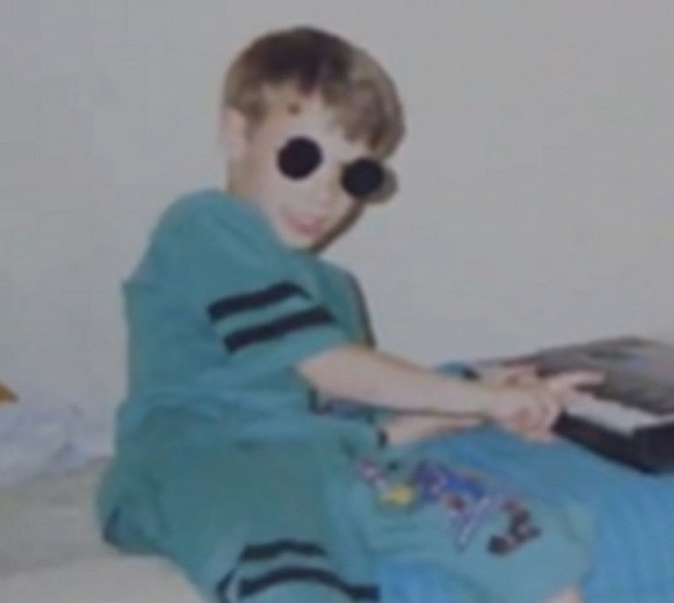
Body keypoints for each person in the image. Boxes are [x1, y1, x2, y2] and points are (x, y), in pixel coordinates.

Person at [97, 25, 601, 603]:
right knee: (288, 575)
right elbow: (328, 366)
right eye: (302, 158)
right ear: (237, 134)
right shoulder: (205, 228)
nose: (325, 194)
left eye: (353, 175)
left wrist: (482, 392)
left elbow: (359, 416)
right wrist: (479, 399)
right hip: (210, 460)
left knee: (522, 540)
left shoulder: (332, 289)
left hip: (325, 460)